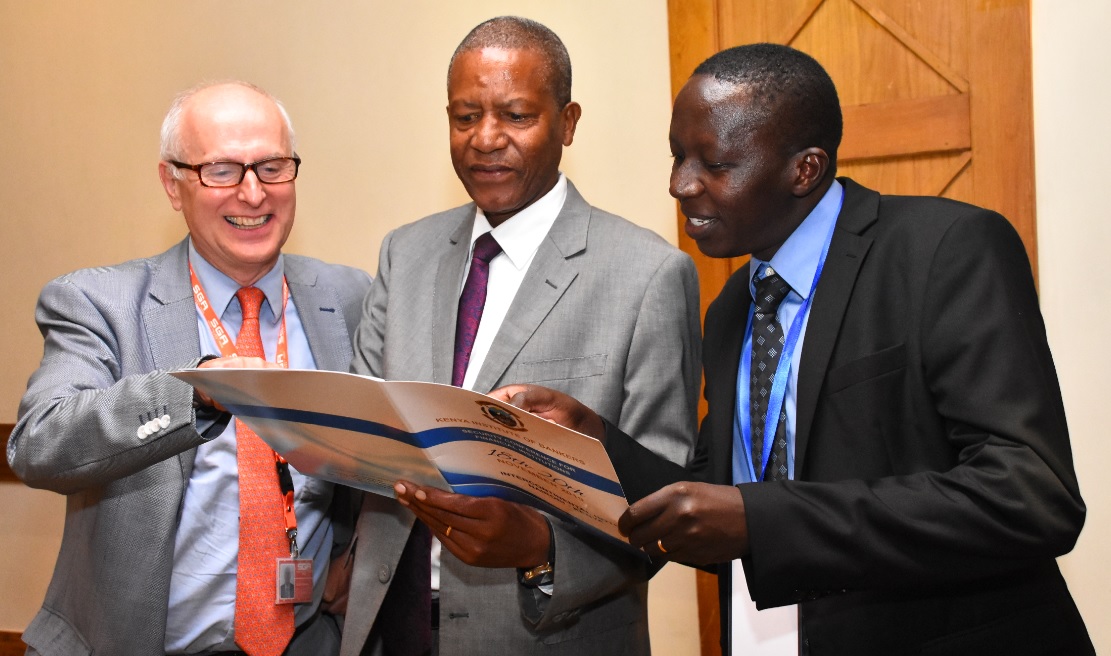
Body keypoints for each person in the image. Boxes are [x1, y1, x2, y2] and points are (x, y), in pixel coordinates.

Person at [495, 44, 1094, 655]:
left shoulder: (945, 251)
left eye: (715, 164)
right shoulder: (734, 306)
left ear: (804, 169)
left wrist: (764, 520)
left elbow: (1030, 495)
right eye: (678, 157)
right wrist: (590, 436)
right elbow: (709, 501)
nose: (680, 184)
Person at [340, 16, 701, 656]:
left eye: (515, 115)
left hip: (546, 633)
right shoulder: (406, 252)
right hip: (388, 625)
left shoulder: (647, 274)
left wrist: (541, 549)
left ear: (567, 122)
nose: (485, 139)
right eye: (463, 117)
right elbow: (363, 433)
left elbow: (665, 500)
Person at [7, 81, 371, 656]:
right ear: (172, 185)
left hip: (306, 641)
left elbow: (378, 448)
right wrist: (197, 393)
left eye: (272, 167)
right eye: (222, 170)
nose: (253, 194)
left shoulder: (349, 298)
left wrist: (354, 558)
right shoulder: (98, 302)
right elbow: (38, 445)